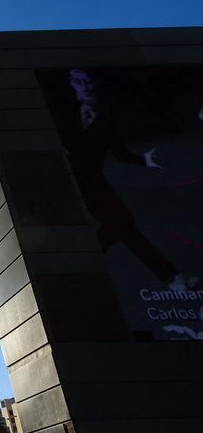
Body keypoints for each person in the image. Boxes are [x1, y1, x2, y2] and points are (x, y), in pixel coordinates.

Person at [61, 69, 197, 291]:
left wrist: (145, 161)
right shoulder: (63, 116)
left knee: (123, 225)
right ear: (72, 85)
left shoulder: (106, 119)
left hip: (95, 182)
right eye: (78, 82)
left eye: (88, 82)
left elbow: (120, 153)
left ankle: (172, 279)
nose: (85, 87)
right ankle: (172, 279)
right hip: (67, 181)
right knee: (122, 225)